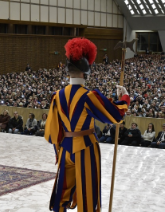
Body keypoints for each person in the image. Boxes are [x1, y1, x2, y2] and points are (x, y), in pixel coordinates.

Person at [44, 38, 130, 212]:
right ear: (86, 72)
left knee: (62, 194)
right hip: (86, 148)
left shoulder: (57, 96)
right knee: (87, 197)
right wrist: (124, 97)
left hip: (65, 149)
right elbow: (116, 116)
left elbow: (53, 131)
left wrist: (59, 153)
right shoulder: (89, 96)